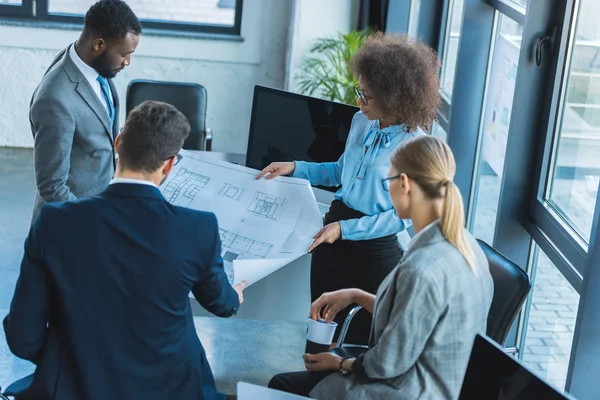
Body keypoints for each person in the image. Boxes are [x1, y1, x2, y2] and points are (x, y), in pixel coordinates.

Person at [4, 101, 247, 400]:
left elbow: (22, 336)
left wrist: (69, 360)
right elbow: (220, 302)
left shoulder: (54, 222)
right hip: (170, 388)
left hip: (75, 387)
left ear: (118, 144)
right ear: (170, 164)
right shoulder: (198, 228)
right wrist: (233, 296)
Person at [268, 135, 494, 399]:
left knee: (280, 385)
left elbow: (386, 364)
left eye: (388, 181)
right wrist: (356, 296)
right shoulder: (466, 244)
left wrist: (339, 364)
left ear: (405, 184)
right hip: (442, 383)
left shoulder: (421, 270)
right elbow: (416, 319)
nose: (386, 190)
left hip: (409, 391)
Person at [256, 33, 441, 345]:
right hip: (332, 242)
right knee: (319, 331)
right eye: (360, 91)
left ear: (394, 96)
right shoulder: (360, 121)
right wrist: (295, 167)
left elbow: (399, 218)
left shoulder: (417, 145)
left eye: (366, 95)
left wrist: (345, 229)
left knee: (361, 343)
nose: (359, 101)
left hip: (373, 252)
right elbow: (340, 171)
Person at [30, 0, 141, 221]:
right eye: (124, 54)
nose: (128, 61)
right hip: (71, 224)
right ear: (99, 44)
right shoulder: (54, 99)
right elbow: (52, 186)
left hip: (101, 203)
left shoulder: (94, 66)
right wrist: (93, 222)